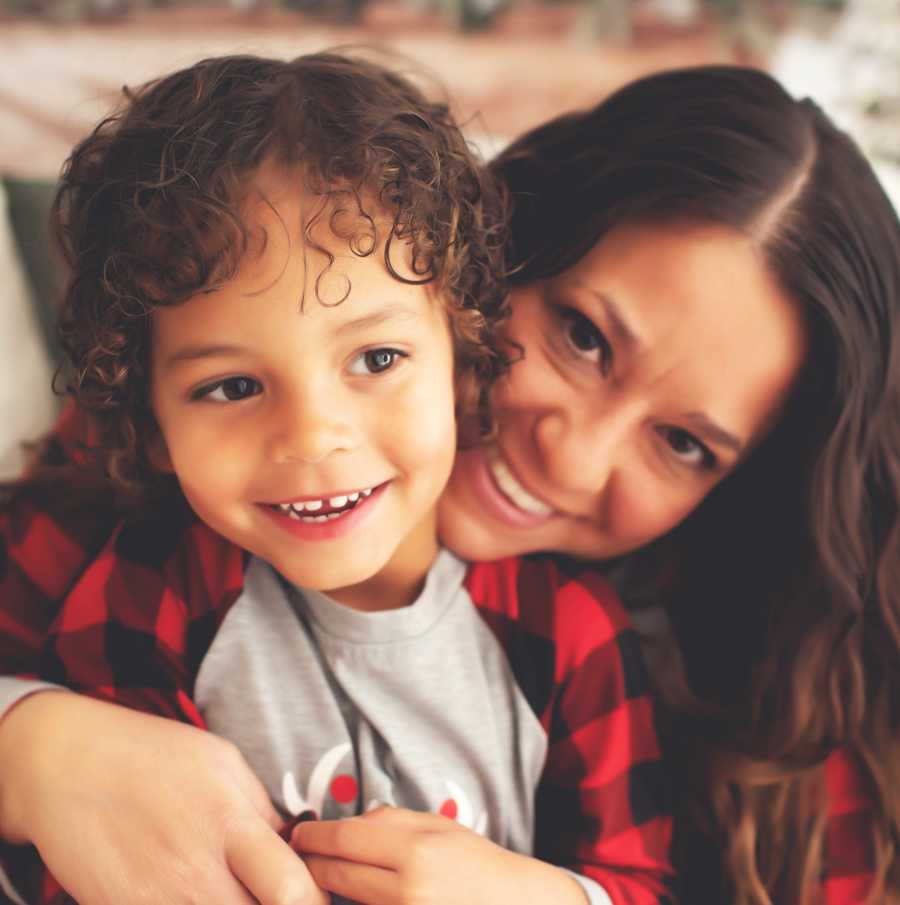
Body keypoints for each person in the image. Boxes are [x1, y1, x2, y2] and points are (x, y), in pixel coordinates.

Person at [1, 63, 897, 905]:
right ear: (491, 253)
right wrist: (35, 744)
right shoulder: (188, 464)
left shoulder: (660, 663)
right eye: (583, 336)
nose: (572, 458)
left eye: (684, 444)